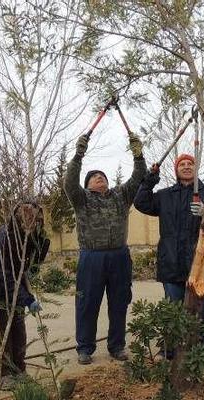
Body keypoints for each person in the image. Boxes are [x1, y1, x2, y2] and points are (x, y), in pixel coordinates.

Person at [64, 132, 148, 365]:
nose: (100, 178)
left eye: (103, 176)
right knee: (87, 303)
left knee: (120, 302)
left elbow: (138, 176)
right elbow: (69, 182)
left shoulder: (120, 195)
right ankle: (85, 348)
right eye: (94, 177)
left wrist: (138, 154)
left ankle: (117, 345)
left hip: (119, 256)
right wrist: (79, 153)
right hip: (91, 257)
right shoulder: (81, 199)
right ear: (88, 185)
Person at [134, 153, 204, 355]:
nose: (186, 167)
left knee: (201, 311)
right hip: (172, 262)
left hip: (200, 263)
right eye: (182, 164)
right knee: (174, 311)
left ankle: (201, 352)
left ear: (195, 169)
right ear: (176, 170)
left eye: (190, 164)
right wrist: (150, 179)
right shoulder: (165, 195)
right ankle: (172, 352)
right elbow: (141, 202)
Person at [0, 202, 50, 390]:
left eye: (36, 219)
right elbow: (3, 277)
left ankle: (20, 370)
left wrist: (40, 243)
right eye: (27, 219)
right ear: (17, 220)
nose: (32, 222)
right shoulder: (0, 241)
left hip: (13, 288)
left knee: (18, 330)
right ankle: (4, 375)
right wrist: (27, 299)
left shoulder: (32, 238)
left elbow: (32, 263)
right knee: (2, 333)